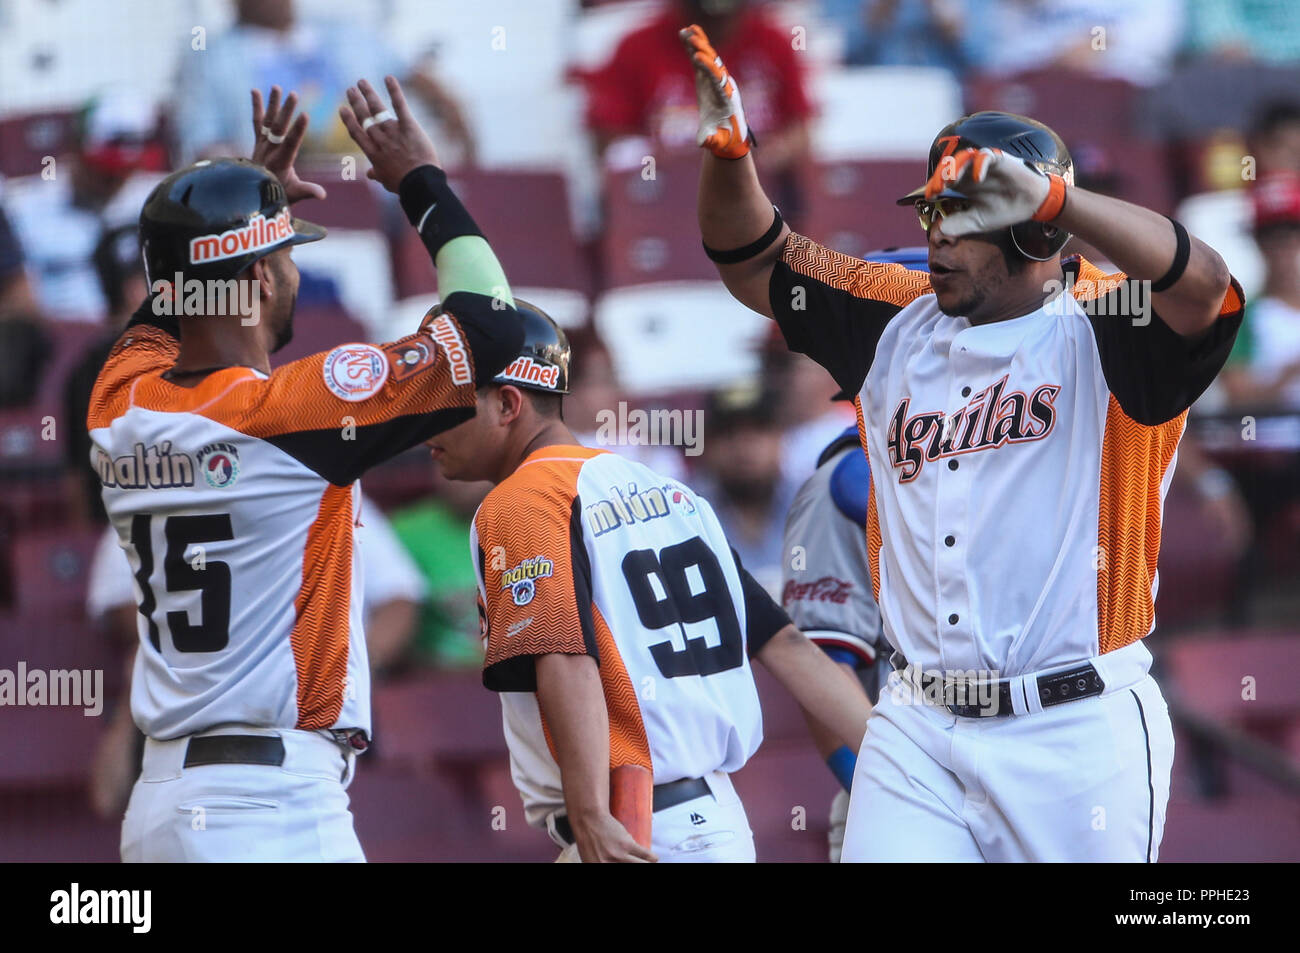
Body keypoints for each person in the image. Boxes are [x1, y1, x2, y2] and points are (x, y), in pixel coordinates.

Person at [685, 25, 1244, 861]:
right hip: (916, 725)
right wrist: (733, 159)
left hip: (1075, 732)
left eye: (966, 214)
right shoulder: (894, 311)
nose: (938, 232)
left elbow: (1204, 287)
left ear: (1036, 235)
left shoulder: (1112, 321)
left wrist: (1057, 198)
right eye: (933, 210)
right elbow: (753, 258)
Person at [91, 77, 524, 862]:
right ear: (259, 279)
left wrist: (240, 207)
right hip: (270, 804)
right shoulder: (297, 411)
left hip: (159, 807)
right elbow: (496, 327)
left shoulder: (115, 401)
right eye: (284, 255)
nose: (292, 270)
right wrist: (424, 188)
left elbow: (164, 301)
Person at [423, 304, 872, 862]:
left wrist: (589, 818)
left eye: (445, 405)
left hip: (631, 826)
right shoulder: (666, 488)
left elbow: (566, 658)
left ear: (508, 404)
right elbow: (785, 643)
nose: (427, 426)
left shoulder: (523, 499)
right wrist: (898, 761)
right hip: (718, 824)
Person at [85, 493, 424, 819]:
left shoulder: (327, 493)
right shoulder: (151, 502)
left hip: (317, 696)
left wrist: (353, 672)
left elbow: (399, 600)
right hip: (196, 699)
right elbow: (106, 800)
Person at [173, 0, 477, 165]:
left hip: (378, 187)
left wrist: (460, 132)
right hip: (278, 201)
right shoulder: (208, 59)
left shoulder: (345, 35)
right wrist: (262, 171)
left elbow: (417, 80)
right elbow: (202, 147)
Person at [2, 89, 167, 320]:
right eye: (105, 170)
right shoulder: (26, 208)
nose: (115, 180)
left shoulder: (160, 201)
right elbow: (15, 299)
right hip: (55, 340)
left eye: (125, 170)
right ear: (76, 148)